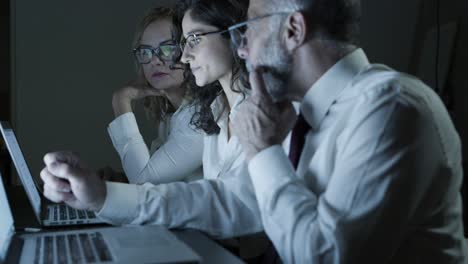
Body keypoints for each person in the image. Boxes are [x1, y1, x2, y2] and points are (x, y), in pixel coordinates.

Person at [231, 0, 468, 263]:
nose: (242, 49)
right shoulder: (297, 112)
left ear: (293, 30)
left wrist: (261, 149)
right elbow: (246, 198)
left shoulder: (391, 107)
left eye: (250, 27)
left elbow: (326, 257)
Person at [40, 0, 267, 259]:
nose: (182, 56)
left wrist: (120, 103)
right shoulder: (213, 110)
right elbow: (214, 198)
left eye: (191, 40)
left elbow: (225, 202)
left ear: (236, 35)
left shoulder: (254, 112)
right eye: (146, 52)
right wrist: (109, 191)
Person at [103, 6, 203, 185]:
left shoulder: (199, 118)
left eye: (167, 49)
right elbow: (154, 180)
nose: (155, 60)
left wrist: (120, 100)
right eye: (146, 51)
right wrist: (121, 180)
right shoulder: (170, 116)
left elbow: (143, 181)